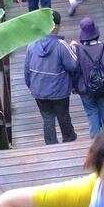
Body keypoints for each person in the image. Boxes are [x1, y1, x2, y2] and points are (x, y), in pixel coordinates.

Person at [24, 11, 78, 144]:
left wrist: (31, 86)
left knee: (47, 118)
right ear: (56, 26)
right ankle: (69, 139)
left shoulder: (31, 45)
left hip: (39, 91)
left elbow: (26, 70)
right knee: (63, 115)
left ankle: (51, 144)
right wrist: (74, 48)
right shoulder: (61, 45)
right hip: (59, 91)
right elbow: (73, 65)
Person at [71, 15, 104, 137]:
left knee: (92, 113)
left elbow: (75, 70)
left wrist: (74, 87)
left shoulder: (78, 50)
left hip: (86, 90)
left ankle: (95, 141)